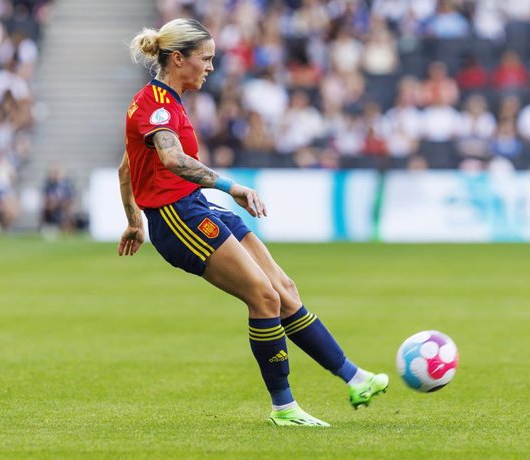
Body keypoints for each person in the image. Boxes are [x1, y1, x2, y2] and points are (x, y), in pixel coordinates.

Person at [118, 18, 388, 428]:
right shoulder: (156, 106)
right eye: (205, 59)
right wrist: (231, 186)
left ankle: (355, 378)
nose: (210, 67)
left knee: (283, 289)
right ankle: (284, 407)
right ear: (178, 59)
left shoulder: (164, 103)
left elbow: (127, 166)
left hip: (194, 207)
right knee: (263, 297)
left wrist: (133, 221)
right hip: (177, 218)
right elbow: (171, 160)